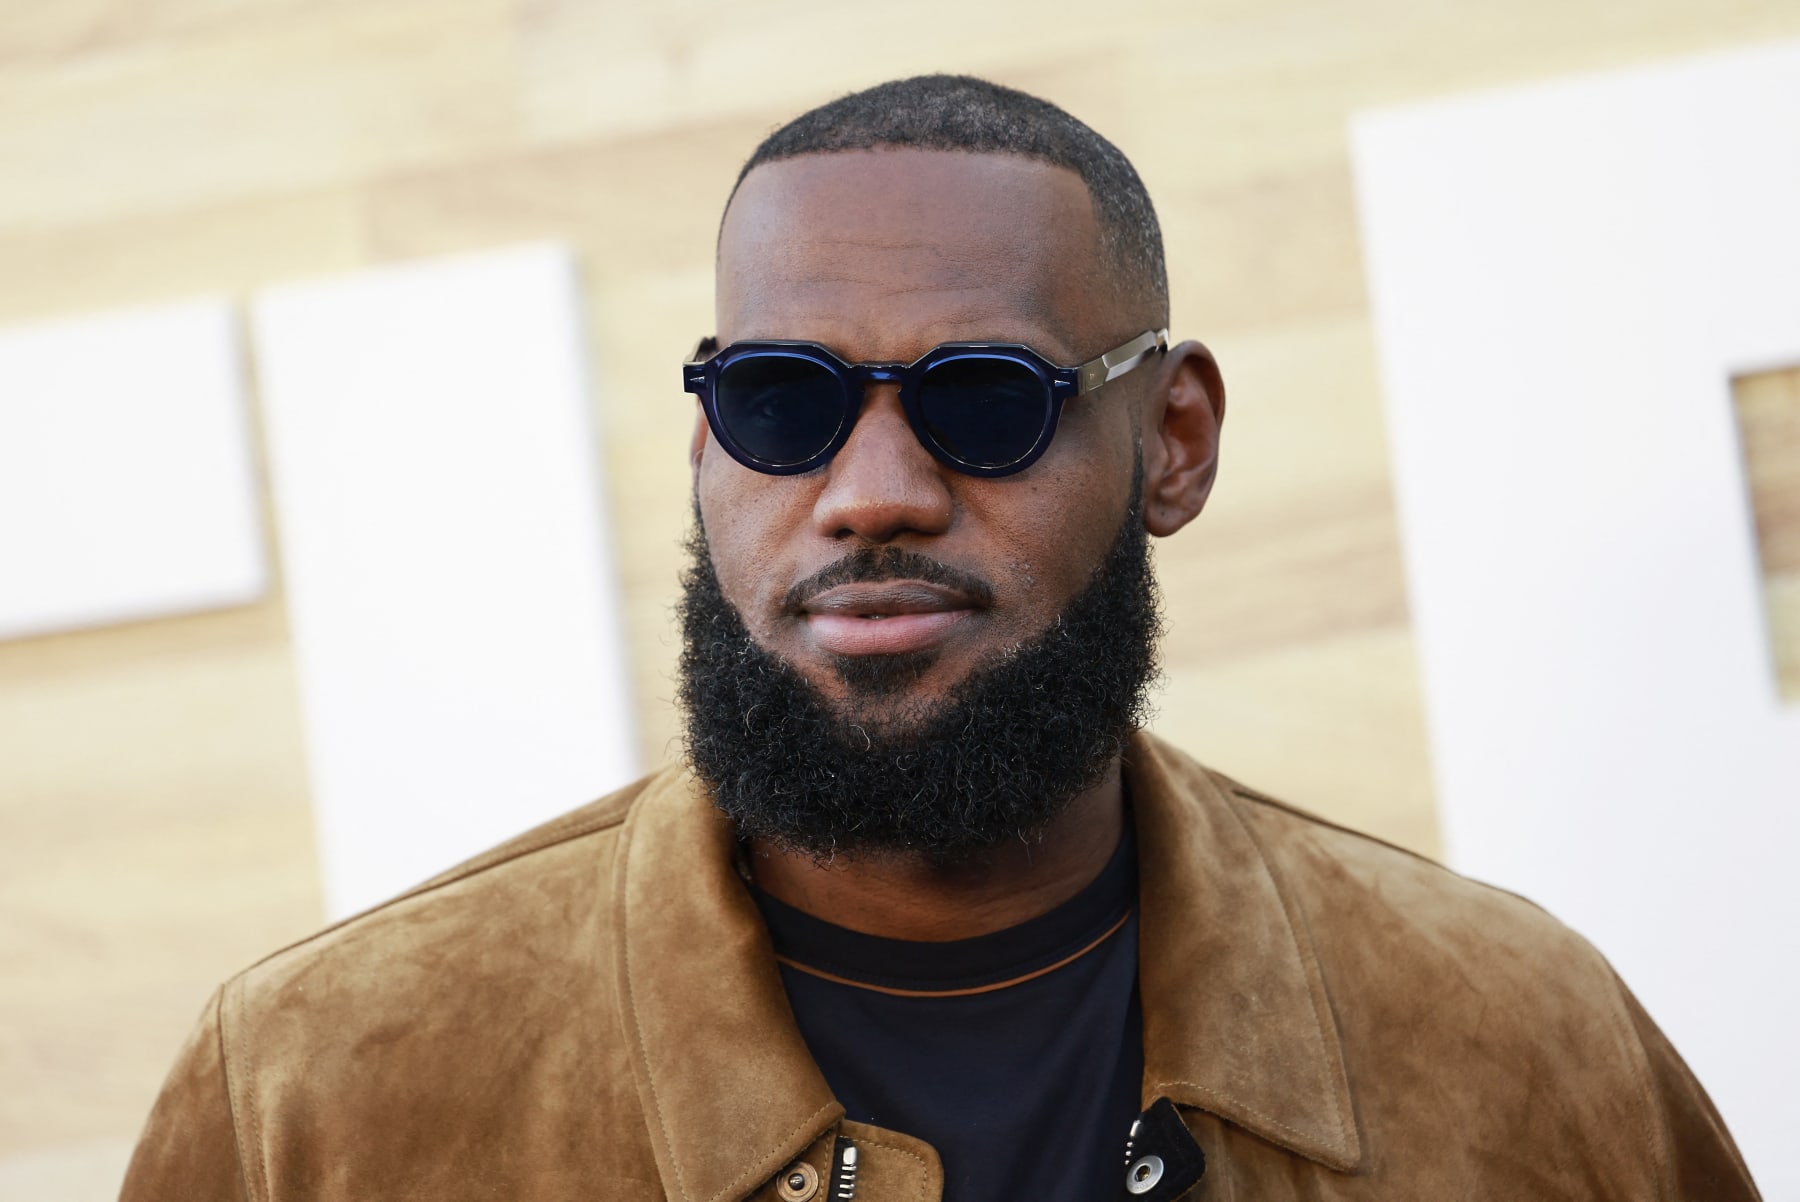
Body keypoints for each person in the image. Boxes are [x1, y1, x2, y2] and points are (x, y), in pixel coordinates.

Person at [121, 75, 1758, 1202]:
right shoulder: (314, 1096)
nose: (872, 494)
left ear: (1171, 440)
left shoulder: (1523, 1035)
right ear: (705, 451)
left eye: (986, 400)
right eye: (784, 404)